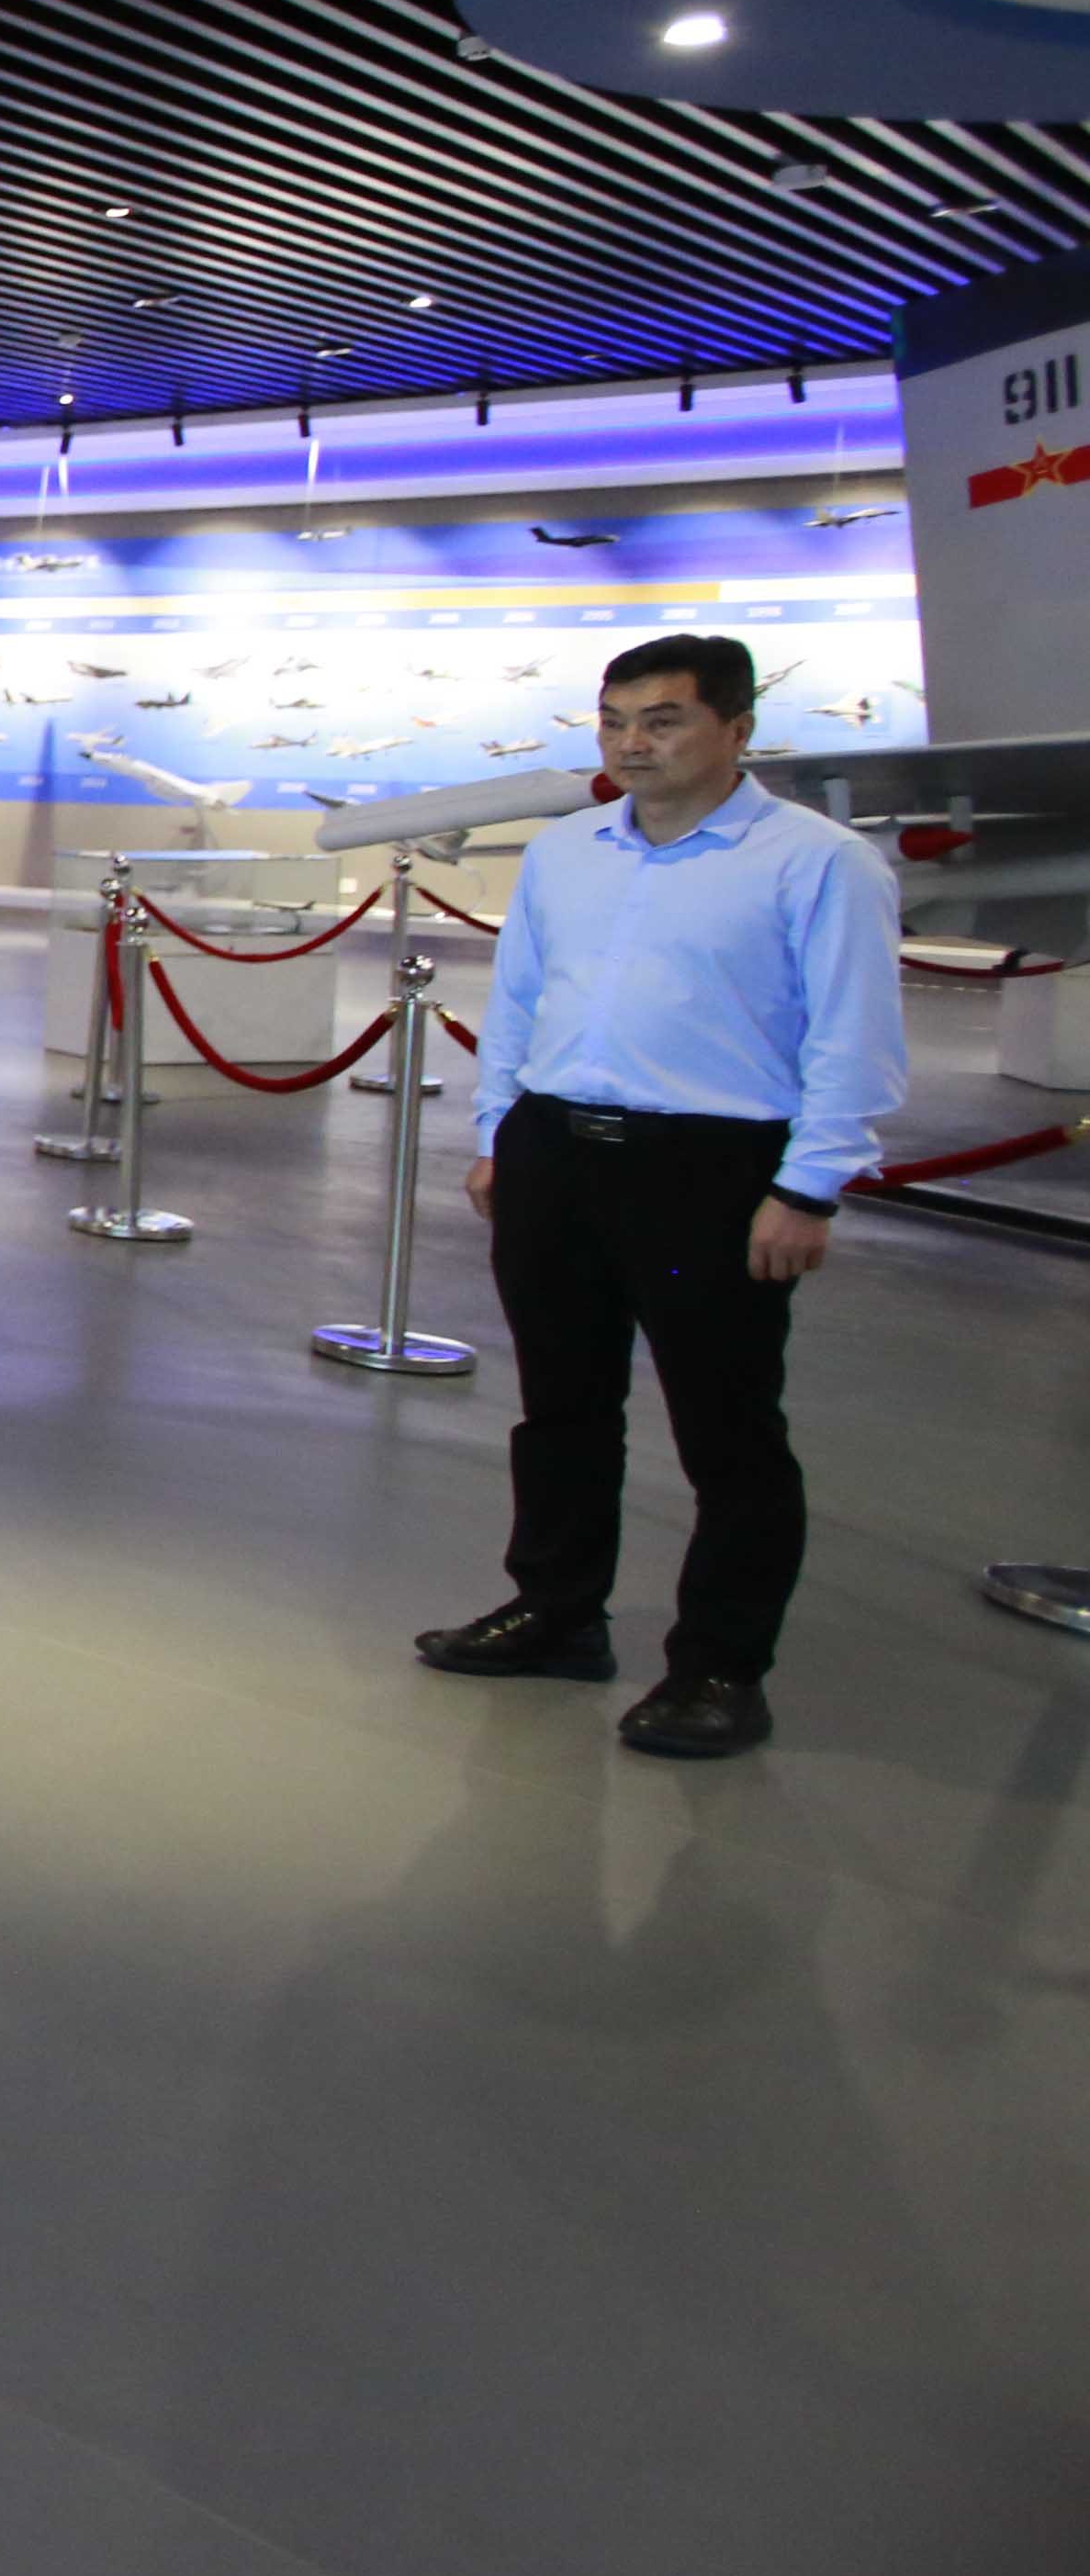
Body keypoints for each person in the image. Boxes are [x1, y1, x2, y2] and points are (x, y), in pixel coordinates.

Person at [419, 633, 905, 1760]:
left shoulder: (818, 863)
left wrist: (809, 1189)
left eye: (663, 720)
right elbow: (522, 998)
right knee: (560, 1406)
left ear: (737, 730)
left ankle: (720, 1668)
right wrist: (500, 1135)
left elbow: (855, 1036)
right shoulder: (568, 852)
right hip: (556, 1156)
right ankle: (557, 1612)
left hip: (710, 1172)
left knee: (728, 1431)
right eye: (615, 721)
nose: (632, 744)